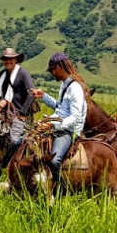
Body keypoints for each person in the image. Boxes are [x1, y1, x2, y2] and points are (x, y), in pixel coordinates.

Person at [29, 52, 89, 192]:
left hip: (68, 131)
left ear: (59, 68)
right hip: (57, 124)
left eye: (52, 70)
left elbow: (75, 117)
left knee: (54, 160)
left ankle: (60, 190)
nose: (51, 74)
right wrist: (43, 96)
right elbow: (60, 107)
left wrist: (52, 124)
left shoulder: (75, 89)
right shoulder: (64, 85)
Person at [0, 47, 35, 152]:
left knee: (14, 141)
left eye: (10, 59)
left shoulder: (23, 73)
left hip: (20, 114)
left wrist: (23, 113)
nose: (8, 61)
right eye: (6, 59)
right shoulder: (2, 74)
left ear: (15, 60)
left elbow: (31, 94)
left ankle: (14, 163)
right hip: (5, 112)